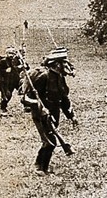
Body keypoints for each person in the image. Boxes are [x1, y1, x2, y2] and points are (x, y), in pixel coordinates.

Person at [21, 47, 78, 175]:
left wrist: (71, 116)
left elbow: (63, 99)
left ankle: (40, 165)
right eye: (64, 62)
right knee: (50, 141)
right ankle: (41, 168)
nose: (67, 65)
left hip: (54, 113)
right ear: (57, 64)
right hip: (41, 115)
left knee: (49, 140)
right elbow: (25, 99)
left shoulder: (59, 77)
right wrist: (41, 108)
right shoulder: (43, 77)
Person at [0, 46, 24, 115]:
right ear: (7, 53)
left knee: (24, 90)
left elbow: (23, 68)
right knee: (7, 95)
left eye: (13, 53)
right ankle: (3, 108)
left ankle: (27, 106)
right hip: (4, 81)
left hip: (14, 80)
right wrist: (5, 70)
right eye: (10, 53)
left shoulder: (17, 60)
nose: (11, 55)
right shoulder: (3, 61)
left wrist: (22, 67)